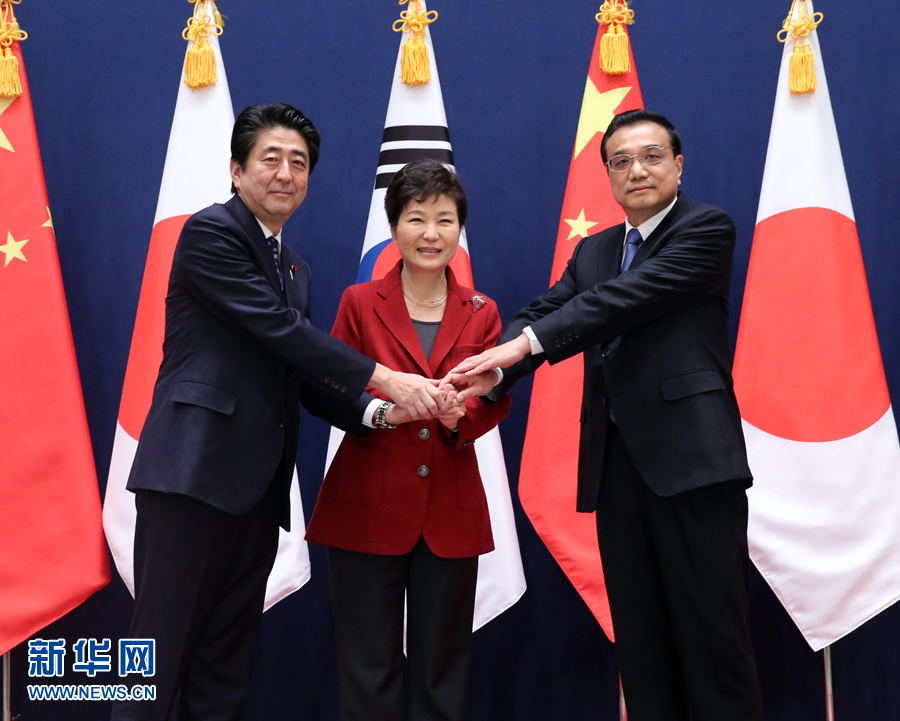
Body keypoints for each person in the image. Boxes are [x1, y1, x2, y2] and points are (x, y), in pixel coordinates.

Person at [111, 104, 446, 721]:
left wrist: (379, 414)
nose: (286, 173)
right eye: (271, 158)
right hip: (192, 478)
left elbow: (301, 373)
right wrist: (385, 378)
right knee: (153, 662)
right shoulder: (210, 233)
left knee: (225, 666)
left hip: (257, 493)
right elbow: (280, 331)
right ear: (236, 170)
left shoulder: (295, 269)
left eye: (300, 162)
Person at [449, 110, 765, 721]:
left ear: (678, 165)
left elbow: (621, 300)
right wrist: (494, 371)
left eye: (651, 156)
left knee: (712, 643)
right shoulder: (594, 249)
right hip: (616, 469)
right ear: (609, 175)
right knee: (641, 648)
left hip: (694, 467)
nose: (637, 170)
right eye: (621, 161)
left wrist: (523, 347)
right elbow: (546, 310)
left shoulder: (706, 229)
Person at [305, 159, 510, 721]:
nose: (431, 233)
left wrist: (456, 416)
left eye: (445, 220)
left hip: (449, 512)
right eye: (417, 218)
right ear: (395, 227)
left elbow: (495, 396)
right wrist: (381, 411)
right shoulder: (358, 301)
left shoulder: (482, 311)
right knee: (367, 666)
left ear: (459, 229)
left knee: (441, 669)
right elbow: (329, 387)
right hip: (366, 502)